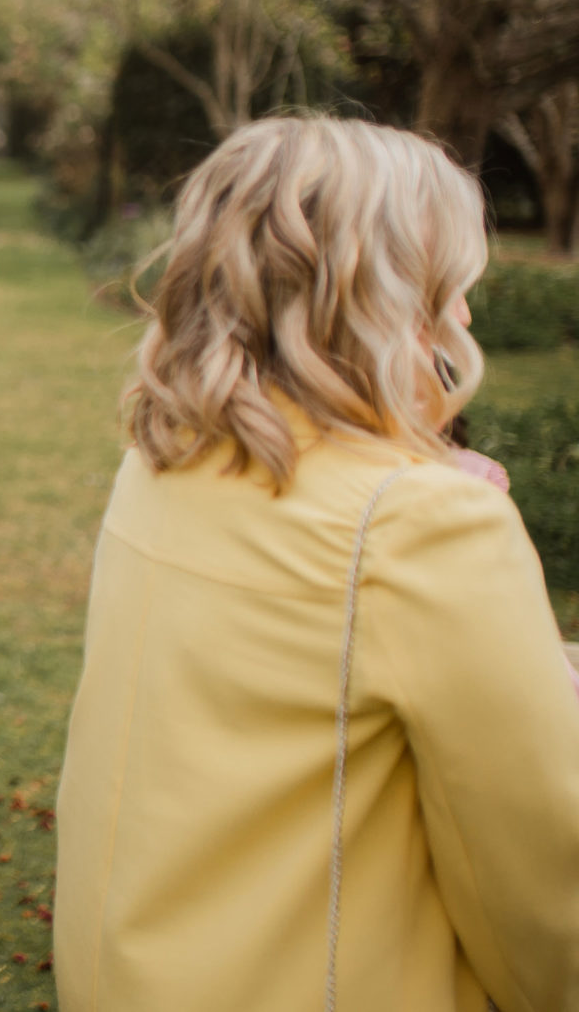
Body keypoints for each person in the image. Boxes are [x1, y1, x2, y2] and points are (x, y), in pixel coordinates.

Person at [54, 117, 579, 1012]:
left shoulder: (163, 460)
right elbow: (542, 892)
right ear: (378, 295)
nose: (462, 313)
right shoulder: (424, 522)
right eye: (447, 285)